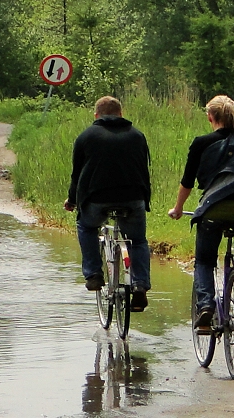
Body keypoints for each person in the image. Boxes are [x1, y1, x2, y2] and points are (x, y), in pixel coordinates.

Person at [168, 95, 234, 329]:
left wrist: (178, 208)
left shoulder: (201, 142)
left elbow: (187, 182)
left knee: (204, 260)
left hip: (214, 211)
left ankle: (205, 306)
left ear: (210, 116)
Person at [64, 96, 152, 312]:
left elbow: (77, 175)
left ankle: (94, 274)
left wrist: (72, 200)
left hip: (96, 199)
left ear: (97, 115)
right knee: (138, 240)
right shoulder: (137, 136)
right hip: (133, 199)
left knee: (86, 227)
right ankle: (140, 284)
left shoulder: (86, 136)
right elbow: (144, 170)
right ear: (121, 114)